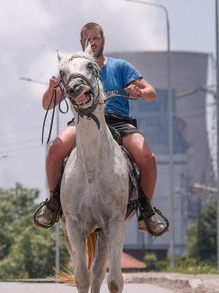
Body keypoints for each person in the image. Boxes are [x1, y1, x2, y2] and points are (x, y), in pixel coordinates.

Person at [33, 22, 169, 237]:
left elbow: (151, 92)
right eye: (87, 39)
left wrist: (139, 92)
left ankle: (146, 210)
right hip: (84, 122)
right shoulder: (72, 67)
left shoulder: (121, 66)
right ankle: (54, 203)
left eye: (95, 38)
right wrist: (52, 88)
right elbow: (48, 104)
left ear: (103, 40)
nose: (92, 42)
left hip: (118, 122)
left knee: (147, 157)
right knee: (55, 149)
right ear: (81, 43)